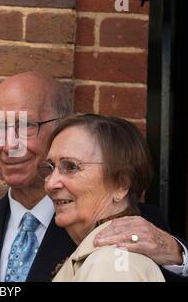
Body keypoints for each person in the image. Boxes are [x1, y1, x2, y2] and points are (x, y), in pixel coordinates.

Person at [0, 72, 188, 282]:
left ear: (63, 128)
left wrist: (176, 254)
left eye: (25, 126)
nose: (10, 145)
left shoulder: (131, 227)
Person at [45, 114, 164, 281]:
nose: (51, 183)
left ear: (120, 184)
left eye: (71, 166)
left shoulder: (112, 264)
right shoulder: (104, 259)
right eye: (51, 168)